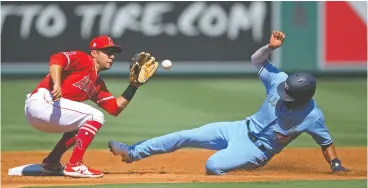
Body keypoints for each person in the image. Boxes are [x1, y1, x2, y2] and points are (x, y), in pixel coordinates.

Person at [108, 31, 350, 175]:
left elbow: (326, 142)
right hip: (238, 128)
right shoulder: (280, 80)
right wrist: (270, 47)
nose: (283, 94)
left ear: (303, 98)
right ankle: (131, 153)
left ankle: (240, 172)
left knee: (213, 166)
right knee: (185, 135)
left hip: (257, 151)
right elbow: (257, 61)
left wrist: (336, 164)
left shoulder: (312, 115)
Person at [24, 35, 159, 178]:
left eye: (113, 53)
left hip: (47, 112)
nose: (112, 56)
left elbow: (115, 108)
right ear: (94, 53)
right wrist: (57, 83)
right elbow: (56, 59)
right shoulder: (83, 59)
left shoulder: (97, 84)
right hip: (42, 102)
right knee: (95, 115)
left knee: (81, 123)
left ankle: (51, 162)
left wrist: (134, 86)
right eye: (107, 52)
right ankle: (74, 165)